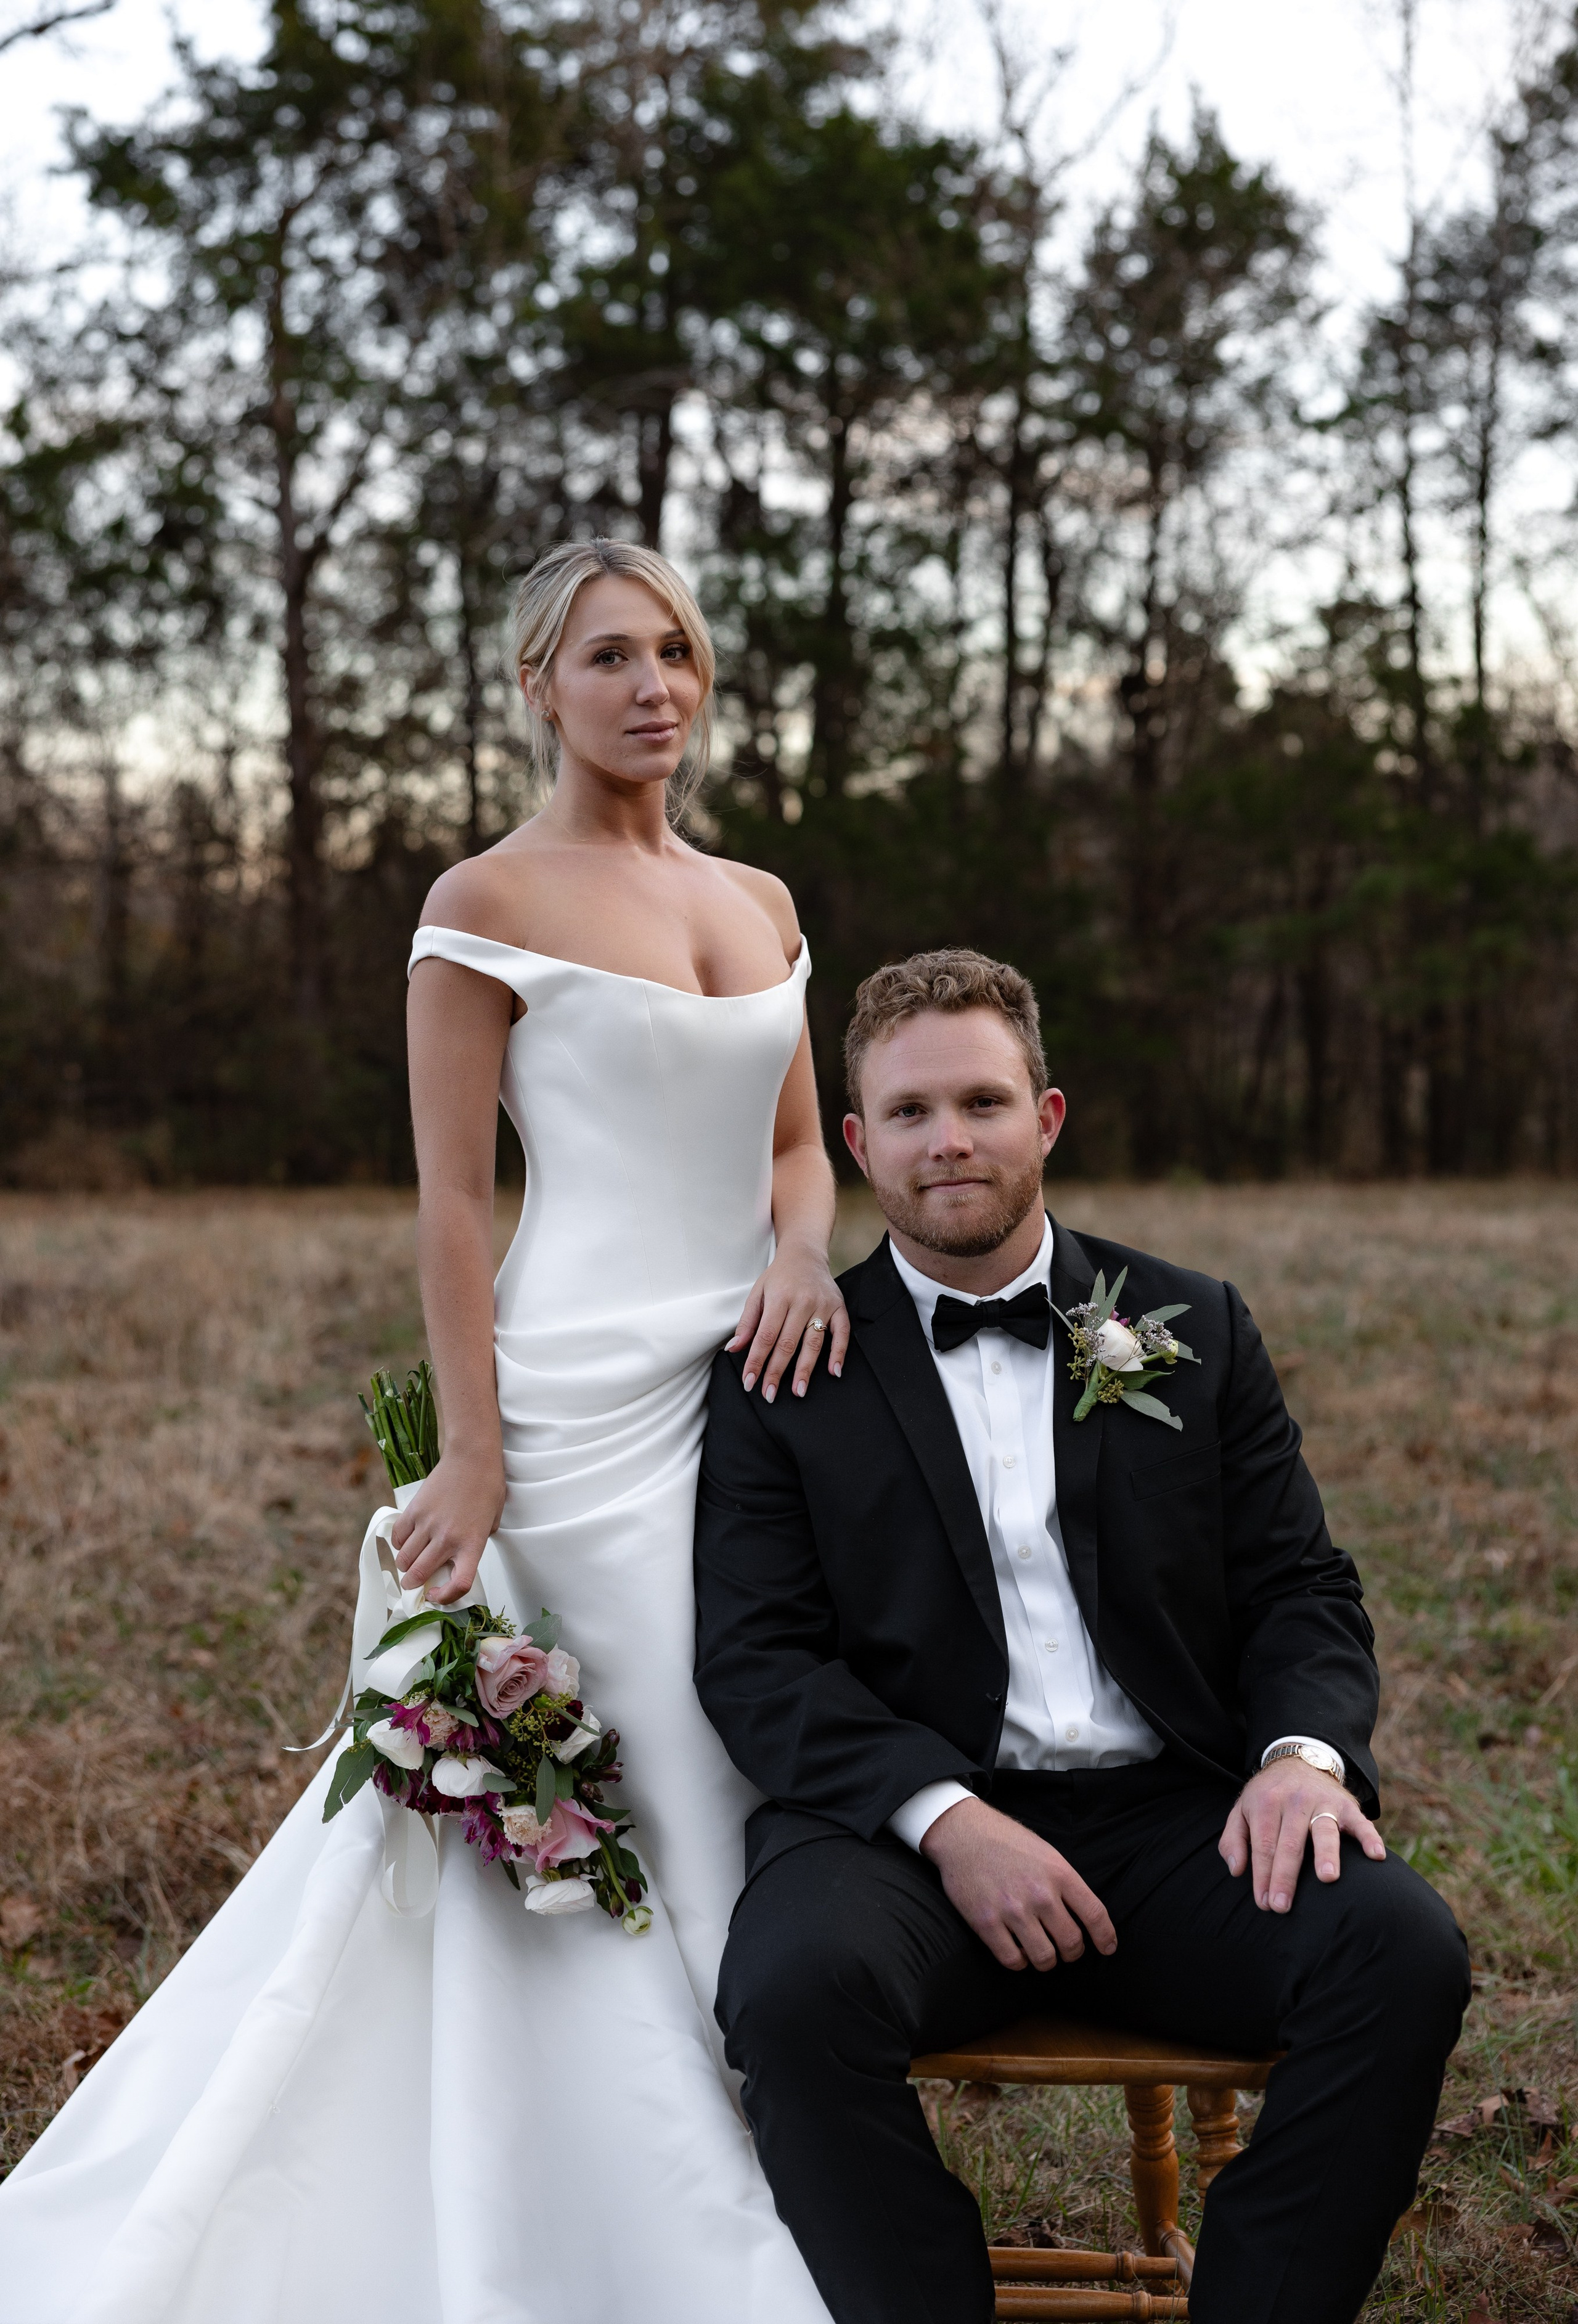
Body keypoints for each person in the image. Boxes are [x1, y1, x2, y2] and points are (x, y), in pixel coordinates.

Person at [0, 539, 842, 2324]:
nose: (653, 687)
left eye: (675, 651)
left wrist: (800, 1256)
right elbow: (451, 1200)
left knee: (748, 1757)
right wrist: (473, 1451)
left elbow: (793, 1145)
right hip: (574, 1404)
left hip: (753, 1387)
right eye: (608, 656)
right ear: (538, 684)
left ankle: (781, 2128)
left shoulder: (762, 900)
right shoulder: (487, 896)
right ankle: (647, 2197)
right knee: (640, 1768)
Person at [695, 947, 1470, 2324]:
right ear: (860, 1144)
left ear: (1045, 1119)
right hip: (909, 1838)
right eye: (912, 1112)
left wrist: (1299, 1760)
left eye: (983, 1102)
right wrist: (945, 1819)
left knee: (1400, 1951)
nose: (950, 1140)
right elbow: (756, 1657)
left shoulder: (1193, 1324)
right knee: (791, 1989)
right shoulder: (786, 1364)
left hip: (1180, 1821)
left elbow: (1300, 1586)